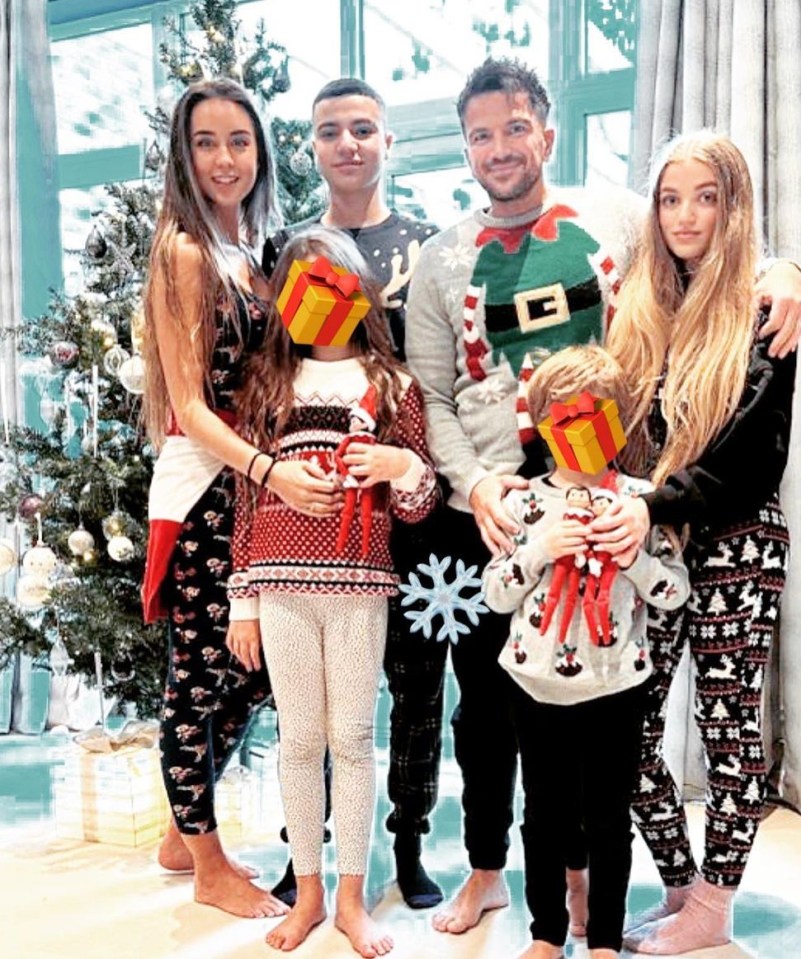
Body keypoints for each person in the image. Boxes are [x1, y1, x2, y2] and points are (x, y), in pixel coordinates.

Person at [403, 57, 801, 936]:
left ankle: (677, 895)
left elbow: (719, 246)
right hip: (527, 511)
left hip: (646, 517)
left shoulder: (620, 219)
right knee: (536, 713)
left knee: (672, 715)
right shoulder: (442, 259)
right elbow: (428, 392)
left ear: (546, 132)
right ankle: (543, 876)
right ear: (463, 146)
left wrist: (786, 273)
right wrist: (474, 486)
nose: (500, 148)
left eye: (516, 128)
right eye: (480, 134)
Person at [589, 131, 798, 955]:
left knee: (728, 726)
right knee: (630, 728)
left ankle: (715, 906)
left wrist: (656, 502)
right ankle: (682, 885)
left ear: (732, 206)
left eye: (704, 196)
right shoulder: (641, 310)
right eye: (670, 197)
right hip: (658, 543)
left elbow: (755, 454)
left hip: (738, 542)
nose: (684, 215)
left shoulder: (762, 305)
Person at [225, 226, 440, 956]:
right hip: (282, 587)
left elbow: (419, 501)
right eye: (304, 285)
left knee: (350, 739)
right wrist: (243, 598)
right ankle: (309, 890)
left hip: (357, 586)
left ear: (358, 293)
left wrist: (400, 467)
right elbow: (244, 499)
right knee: (298, 741)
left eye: (333, 283)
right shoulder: (266, 383)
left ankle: (351, 894)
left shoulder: (392, 385)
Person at [263, 78, 446, 910]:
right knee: (306, 716)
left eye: (363, 129)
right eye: (330, 131)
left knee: (408, 694)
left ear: (386, 141)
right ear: (312, 146)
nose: (347, 144)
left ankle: (404, 842)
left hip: (399, 490)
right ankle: (306, 855)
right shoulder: (289, 249)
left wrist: (410, 467)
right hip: (301, 526)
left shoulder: (426, 244)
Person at [140, 77, 316, 919]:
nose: (223, 158)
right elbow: (190, 405)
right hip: (213, 481)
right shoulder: (183, 253)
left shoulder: (257, 248)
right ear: (185, 153)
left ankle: (183, 831)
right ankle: (207, 865)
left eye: (238, 141)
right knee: (200, 678)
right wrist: (271, 470)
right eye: (205, 142)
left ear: (260, 150)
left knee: (250, 674)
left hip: (251, 481)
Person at [482, 345, 690, 959]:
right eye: (563, 417)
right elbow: (495, 594)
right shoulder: (521, 503)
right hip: (533, 684)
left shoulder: (641, 501)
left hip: (616, 687)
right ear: (542, 424)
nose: (577, 430)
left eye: (593, 416)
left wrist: (634, 558)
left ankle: (603, 940)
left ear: (618, 419)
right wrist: (540, 547)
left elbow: (673, 592)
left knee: (607, 820)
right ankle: (546, 934)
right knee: (543, 816)